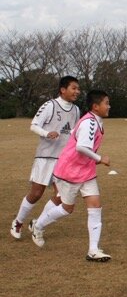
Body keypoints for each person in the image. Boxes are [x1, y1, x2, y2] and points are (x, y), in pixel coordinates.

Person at [30, 90, 112, 262]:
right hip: (70, 172)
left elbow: (76, 138)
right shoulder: (90, 122)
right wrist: (99, 158)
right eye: (106, 103)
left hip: (86, 171)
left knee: (95, 206)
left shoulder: (94, 120)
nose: (109, 106)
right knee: (67, 209)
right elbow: (81, 147)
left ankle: (93, 250)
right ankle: (37, 225)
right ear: (95, 107)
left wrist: (92, 160)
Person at [10, 76, 81, 240]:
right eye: (73, 88)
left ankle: (38, 223)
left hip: (63, 160)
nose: (77, 91)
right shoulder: (50, 105)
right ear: (63, 89)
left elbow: (74, 131)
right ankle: (18, 222)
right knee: (36, 193)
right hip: (45, 156)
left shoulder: (76, 110)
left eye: (78, 89)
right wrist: (47, 133)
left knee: (61, 197)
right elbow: (34, 125)